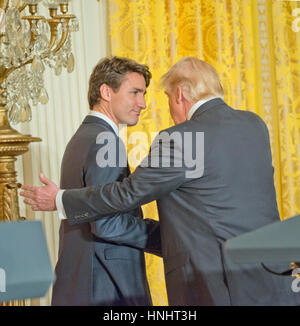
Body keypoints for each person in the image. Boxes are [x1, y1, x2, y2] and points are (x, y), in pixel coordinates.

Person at [21, 57, 300, 306]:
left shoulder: (181, 139)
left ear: (179, 94)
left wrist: (61, 199)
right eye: (136, 93)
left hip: (217, 282)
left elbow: (127, 194)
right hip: (271, 274)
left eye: (164, 97)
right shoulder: (254, 126)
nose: (147, 104)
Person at [31, 56, 161, 306]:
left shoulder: (82, 137)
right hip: (105, 284)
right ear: (106, 92)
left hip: (82, 280)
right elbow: (106, 224)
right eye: (135, 92)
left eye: (143, 94)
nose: (142, 103)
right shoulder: (106, 141)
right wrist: (167, 238)